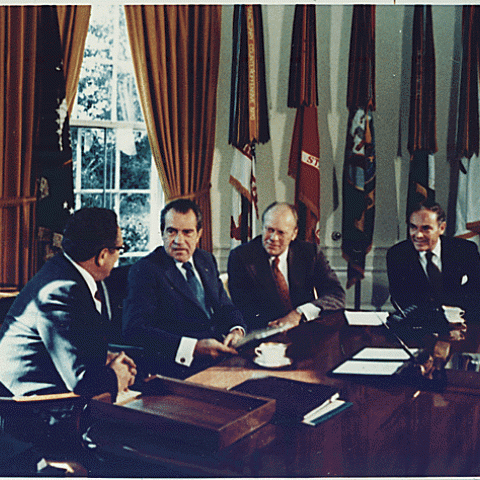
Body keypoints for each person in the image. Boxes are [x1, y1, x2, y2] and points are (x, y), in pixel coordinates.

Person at [0, 207, 137, 400]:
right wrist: (116, 376)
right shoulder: (62, 290)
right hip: (33, 408)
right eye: (119, 250)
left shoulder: (63, 270)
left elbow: (73, 345)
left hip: (52, 393)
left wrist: (105, 358)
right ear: (103, 255)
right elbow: (82, 382)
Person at [122, 199, 246, 379]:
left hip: (219, 357)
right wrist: (193, 348)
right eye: (171, 231)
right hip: (178, 367)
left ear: (199, 234)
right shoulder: (145, 270)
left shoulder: (206, 260)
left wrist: (236, 330)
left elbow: (225, 306)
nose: (179, 241)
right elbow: (134, 329)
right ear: (162, 233)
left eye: (187, 232)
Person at [227, 202, 345, 331]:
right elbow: (243, 308)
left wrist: (299, 313)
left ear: (294, 234)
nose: (273, 238)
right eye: (269, 229)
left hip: (305, 329)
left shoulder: (309, 253)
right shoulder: (242, 257)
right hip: (265, 332)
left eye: (281, 232)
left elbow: (336, 295)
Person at [386, 200, 480, 324]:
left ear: (441, 228)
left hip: (463, 324)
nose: (418, 235)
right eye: (413, 227)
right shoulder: (398, 254)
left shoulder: (465, 250)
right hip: (420, 325)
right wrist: (439, 317)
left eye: (426, 228)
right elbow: (401, 299)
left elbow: (476, 292)